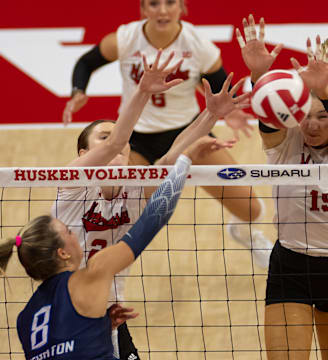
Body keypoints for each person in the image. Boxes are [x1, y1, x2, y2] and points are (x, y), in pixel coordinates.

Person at [54, 49, 250, 360]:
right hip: (67, 313)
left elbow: (172, 157)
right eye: (102, 140)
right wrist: (142, 91)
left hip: (111, 316)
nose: (116, 149)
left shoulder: (135, 187)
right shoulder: (71, 183)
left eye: (122, 147)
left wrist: (211, 114)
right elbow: (119, 138)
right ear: (82, 154)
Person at [62, 0, 274, 270]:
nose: (162, 10)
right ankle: (94, 265)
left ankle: (250, 236)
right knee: (116, 213)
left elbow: (218, 87)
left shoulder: (197, 44)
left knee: (252, 210)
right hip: (134, 139)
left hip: (188, 133)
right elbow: (86, 62)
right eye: (153, 3)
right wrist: (78, 91)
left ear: (182, 8)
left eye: (170, 3)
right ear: (143, 9)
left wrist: (229, 113)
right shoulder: (126, 38)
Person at [237, 15, 328, 359]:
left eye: (323, 115)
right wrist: (260, 76)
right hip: (292, 268)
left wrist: (323, 91)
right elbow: (269, 113)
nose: (314, 124)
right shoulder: (285, 143)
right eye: (307, 114)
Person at [0, 151, 195, 360]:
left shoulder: (25, 318)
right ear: (62, 253)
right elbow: (153, 218)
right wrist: (184, 163)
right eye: (68, 231)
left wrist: (103, 328)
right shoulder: (91, 274)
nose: (74, 234)